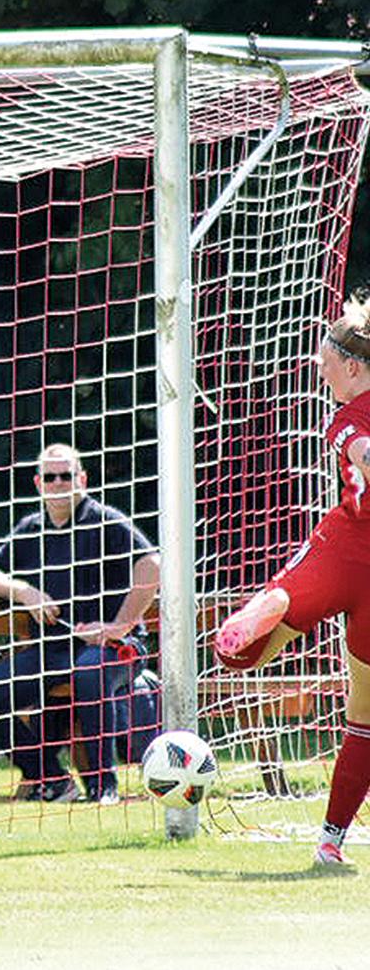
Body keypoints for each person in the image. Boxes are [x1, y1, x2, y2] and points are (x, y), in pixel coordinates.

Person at [214, 293, 370, 868]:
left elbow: (363, 451)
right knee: (365, 717)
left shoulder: (348, 416)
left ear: (351, 366)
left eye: (324, 361)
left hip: (343, 549)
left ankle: (274, 605)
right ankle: (330, 842)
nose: (319, 369)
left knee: (238, 657)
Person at [0, 443, 161, 805]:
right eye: (50, 477)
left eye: (66, 476)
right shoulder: (31, 528)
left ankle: (103, 787)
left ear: (82, 479)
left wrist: (118, 626)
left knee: (89, 671)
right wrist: (24, 591)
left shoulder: (106, 521)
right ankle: (51, 778)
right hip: (51, 651)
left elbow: (152, 565)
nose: (58, 483)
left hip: (114, 649)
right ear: (38, 483)